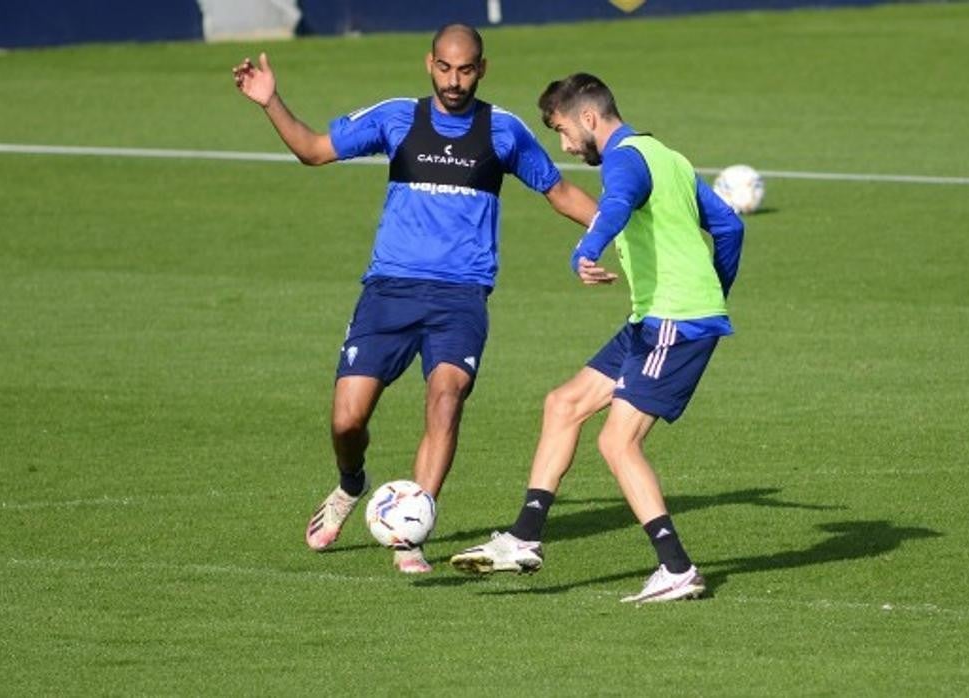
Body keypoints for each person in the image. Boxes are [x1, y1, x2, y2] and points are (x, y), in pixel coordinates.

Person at [232, 26, 597, 573]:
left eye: (466, 69)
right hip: (389, 291)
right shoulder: (397, 117)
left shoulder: (504, 132)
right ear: (430, 63)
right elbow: (313, 151)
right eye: (445, 68)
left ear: (483, 68)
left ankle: (411, 532)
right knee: (346, 423)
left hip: (461, 297)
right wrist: (271, 101)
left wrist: (620, 223)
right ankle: (351, 485)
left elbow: (560, 193)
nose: (455, 80)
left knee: (445, 399)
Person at [449, 73, 745, 603]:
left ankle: (677, 568)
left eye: (563, 131)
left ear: (589, 118)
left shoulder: (625, 160)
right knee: (563, 404)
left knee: (617, 440)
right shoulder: (668, 157)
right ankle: (524, 538)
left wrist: (586, 250)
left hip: (674, 322)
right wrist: (713, 290)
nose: (564, 145)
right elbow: (729, 227)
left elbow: (615, 206)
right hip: (658, 318)